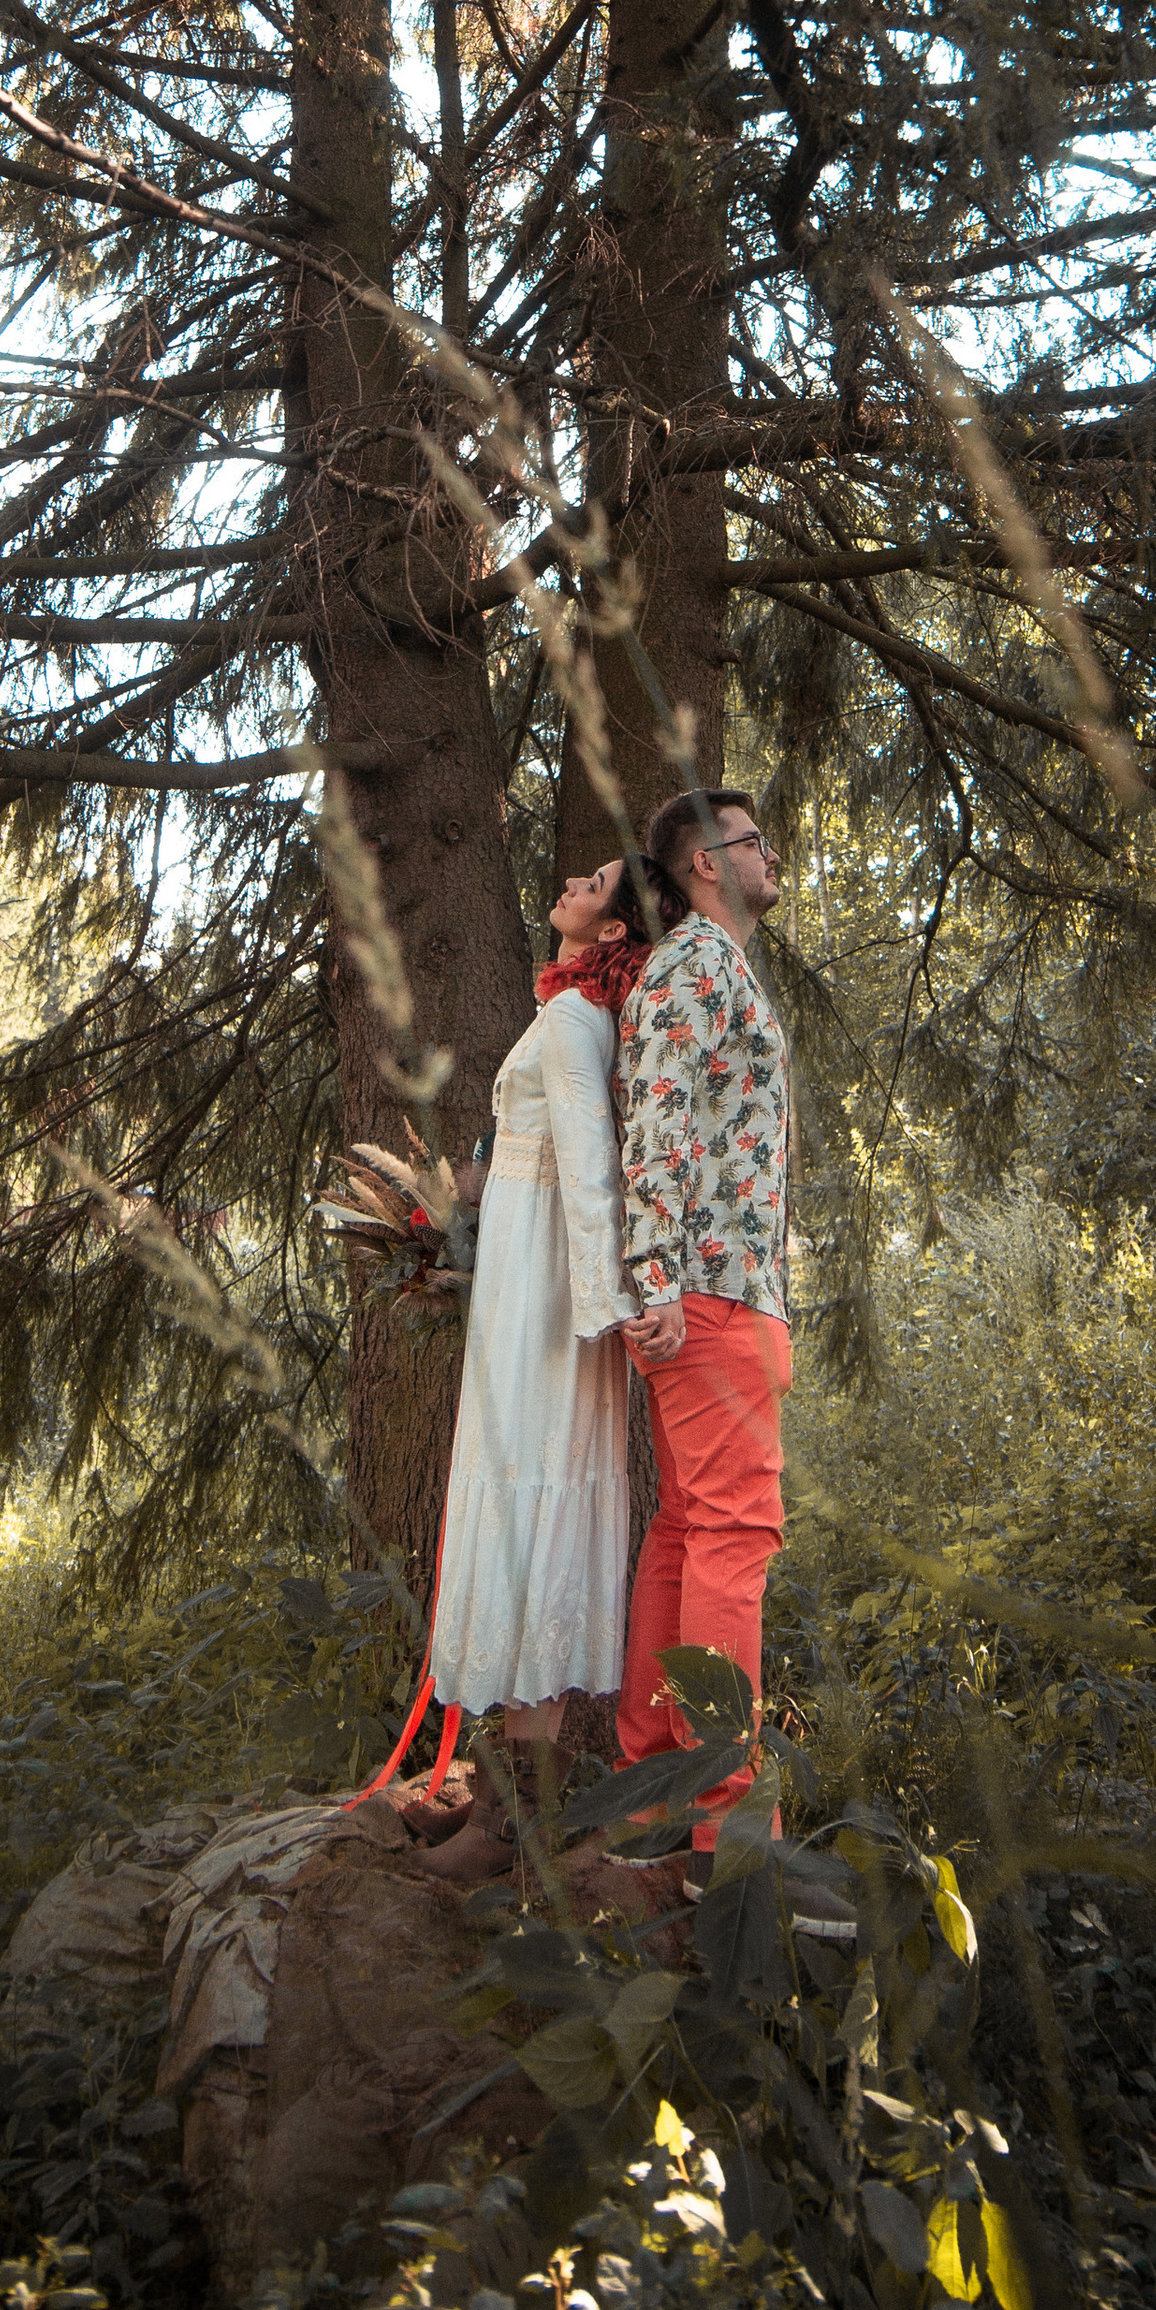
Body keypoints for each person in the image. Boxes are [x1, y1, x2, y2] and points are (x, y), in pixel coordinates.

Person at [414, 853, 669, 1883]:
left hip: (546, 1309)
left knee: (531, 1517)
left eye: (597, 881)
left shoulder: (570, 1025)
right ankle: (504, 1795)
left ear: (610, 933)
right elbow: (531, 1154)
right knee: (524, 1512)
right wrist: (457, 1204)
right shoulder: (563, 1013)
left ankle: (514, 1820)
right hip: (523, 1283)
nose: (572, 880)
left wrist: (608, 1311)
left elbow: (592, 1171)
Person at [610, 783, 792, 1894]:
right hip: (711, 1294)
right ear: (704, 866)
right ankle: (730, 1837)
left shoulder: (717, 970)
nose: (770, 853)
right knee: (734, 1534)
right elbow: (657, 1110)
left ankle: (657, 1793)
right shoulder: (693, 965)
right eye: (751, 840)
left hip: (723, 1291)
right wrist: (657, 1272)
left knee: (687, 1533)